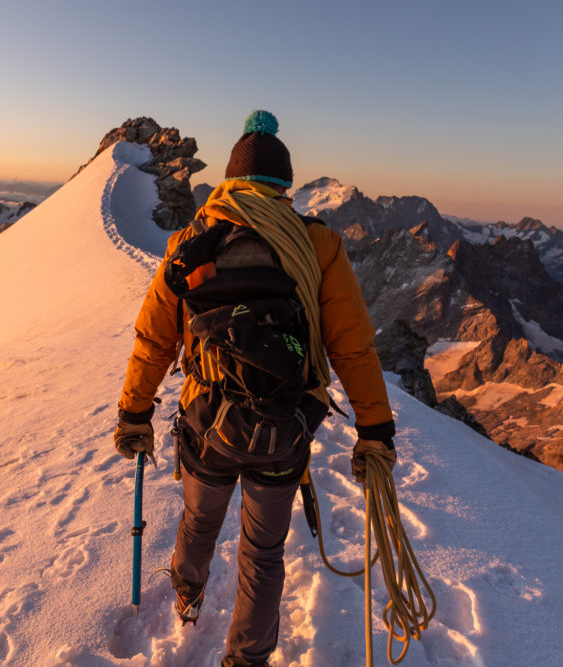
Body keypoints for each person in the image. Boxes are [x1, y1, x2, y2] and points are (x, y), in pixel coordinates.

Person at [114, 111, 396, 666]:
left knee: (199, 521)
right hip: (283, 426)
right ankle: (246, 659)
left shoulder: (190, 242)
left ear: (230, 181)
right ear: (284, 187)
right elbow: (352, 347)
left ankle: (188, 591)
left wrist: (135, 415)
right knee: (263, 554)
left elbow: (154, 340)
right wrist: (375, 430)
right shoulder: (318, 245)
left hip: (206, 423)